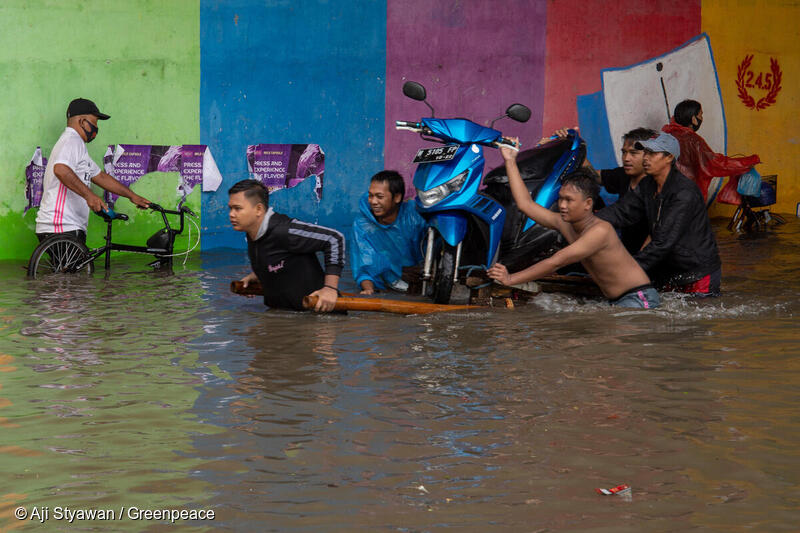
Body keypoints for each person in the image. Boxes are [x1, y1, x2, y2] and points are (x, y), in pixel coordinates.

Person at [487, 141, 659, 309]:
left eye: (569, 200)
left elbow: (555, 262)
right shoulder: (564, 223)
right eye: (561, 198)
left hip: (638, 298)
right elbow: (526, 204)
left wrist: (511, 279)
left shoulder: (600, 231)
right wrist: (510, 161)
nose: (562, 205)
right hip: (616, 300)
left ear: (588, 203)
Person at [596, 132, 722, 296]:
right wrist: (587, 221)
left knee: (697, 312)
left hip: (697, 272)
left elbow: (663, 242)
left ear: (669, 157)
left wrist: (627, 270)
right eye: (646, 152)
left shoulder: (684, 193)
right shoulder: (647, 185)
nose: (646, 158)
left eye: (652, 153)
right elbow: (622, 212)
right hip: (668, 269)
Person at [35, 98, 150, 243]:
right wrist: (90, 196)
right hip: (61, 226)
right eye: (94, 122)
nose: (96, 128)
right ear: (82, 122)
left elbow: (100, 177)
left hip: (66, 226)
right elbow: (61, 170)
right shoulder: (72, 140)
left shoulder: (77, 145)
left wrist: (132, 196)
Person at [229, 179, 344, 312]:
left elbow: (334, 238)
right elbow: (280, 259)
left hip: (319, 316)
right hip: (283, 314)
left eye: (238, 208)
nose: (231, 214)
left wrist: (330, 288)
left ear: (258, 209)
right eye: (230, 208)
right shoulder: (252, 233)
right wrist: (260, 273)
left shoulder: (285, 230)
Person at [662, 99, 760, 205]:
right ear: (693, 119)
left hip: (666, 195)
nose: (702, 118)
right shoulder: (693, 140)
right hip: (688, 197)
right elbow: (714, 164)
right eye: (700, 115)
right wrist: (747, 162)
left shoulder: (666, 136)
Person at [350, 170, 426, 295]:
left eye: (380, 197)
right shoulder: (362, 224)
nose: (373, 202)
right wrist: (368, 290)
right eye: (370, 196)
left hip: (418, 280)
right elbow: (363, 265)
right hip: (384, 285)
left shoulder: (414, 216)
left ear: (397, 197)